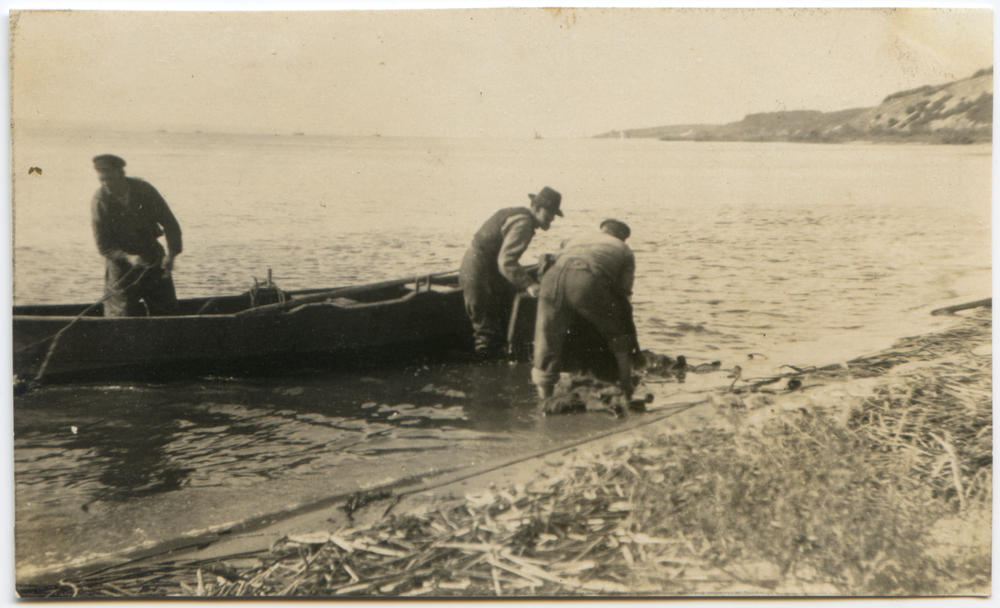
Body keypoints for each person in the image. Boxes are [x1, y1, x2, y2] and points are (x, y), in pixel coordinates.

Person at [531, 219, 639, 400]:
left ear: (603, 229)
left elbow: (555, 258)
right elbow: (624, 291)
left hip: (551, 277)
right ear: (622, 236)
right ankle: (627, 387)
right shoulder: (624, 249)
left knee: (547, 338)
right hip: (585, 280)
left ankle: (544, 397)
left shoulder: (577, 238)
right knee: (619, 334)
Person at [459, 186, 563, 357]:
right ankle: (489, 367)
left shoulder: (517, 215)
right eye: (550, 212)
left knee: (496, 309)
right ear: (536, 208)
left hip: (481, 264)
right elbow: (506, 262)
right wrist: (530, 284)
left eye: (554, 214)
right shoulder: (524, 223)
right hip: (479, 268)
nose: (552, 218)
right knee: (484, 326)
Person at [91, 154, 183, 317]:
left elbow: (170, 223)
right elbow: (103, 245)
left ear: (121, 174)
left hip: (153, 256)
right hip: (121, 267)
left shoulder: (144, 190)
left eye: (110, 178)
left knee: (167, 312)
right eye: (102, 180)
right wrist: (128, 258)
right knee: (121, 317)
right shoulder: (100, 201)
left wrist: (172, 254)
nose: (107, 184)